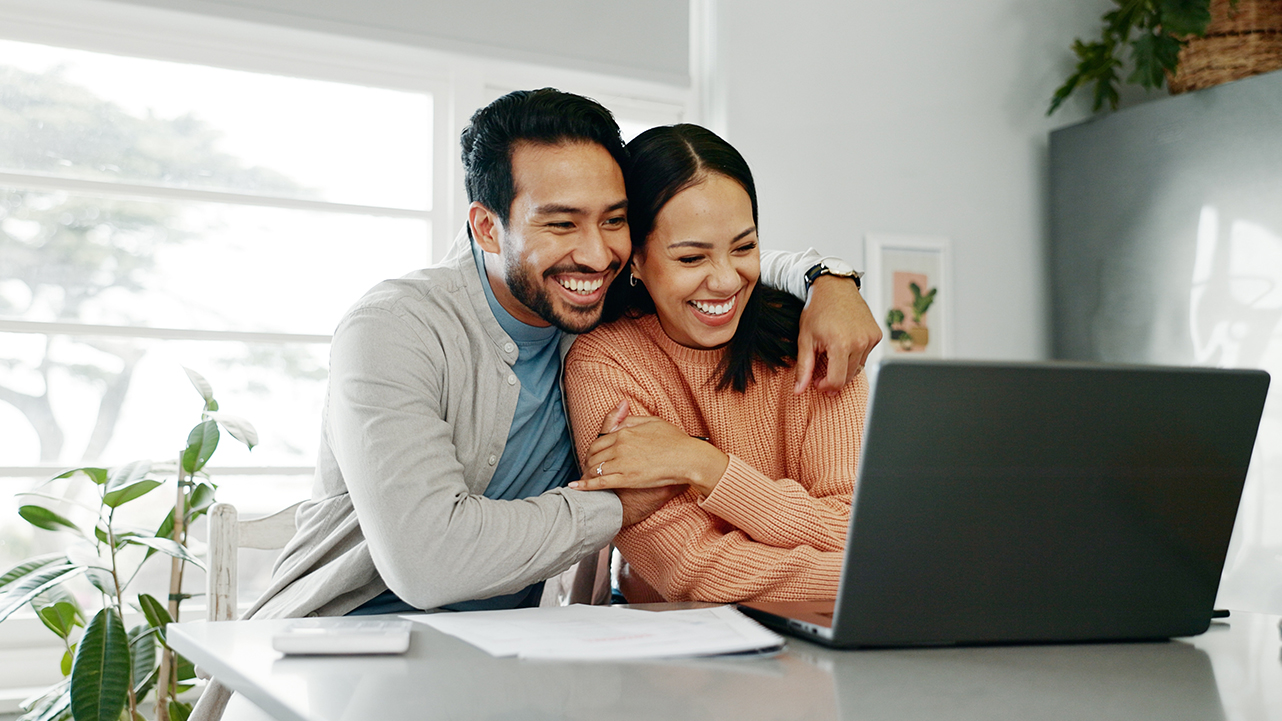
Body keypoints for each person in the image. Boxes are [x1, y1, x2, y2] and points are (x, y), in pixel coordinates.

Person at [192, 89, 878, 719]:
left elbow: (702, 252)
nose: (594, 252)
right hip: (341, 649)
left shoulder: (598, 304)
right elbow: (429, 563)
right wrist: (616, 508)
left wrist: (828, 278)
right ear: (486, 228)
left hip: (507, 652)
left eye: (612, 221)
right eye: (560, 223)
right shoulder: (398, 327)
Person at [564, 124, 869, 603]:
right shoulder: (605, 363)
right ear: (635, 260)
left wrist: (702, 464)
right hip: (679, 652)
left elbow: (858, 527)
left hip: (838, 633)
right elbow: (692, 569)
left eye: (744, 247)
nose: (727, 280)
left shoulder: (814, 342)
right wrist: (876, 584)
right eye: (691, 258)